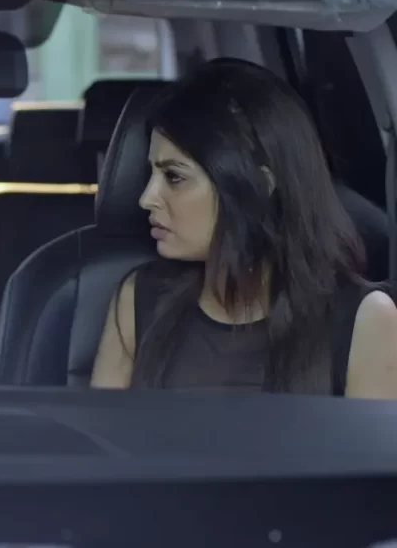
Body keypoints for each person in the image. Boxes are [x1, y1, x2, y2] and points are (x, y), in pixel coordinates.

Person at [91, 58, 397, 398]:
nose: (147, 198)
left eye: (174, 177)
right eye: (151, 174)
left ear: (260, 184)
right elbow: (99, 432)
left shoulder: (363, 320)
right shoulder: (139, 300)